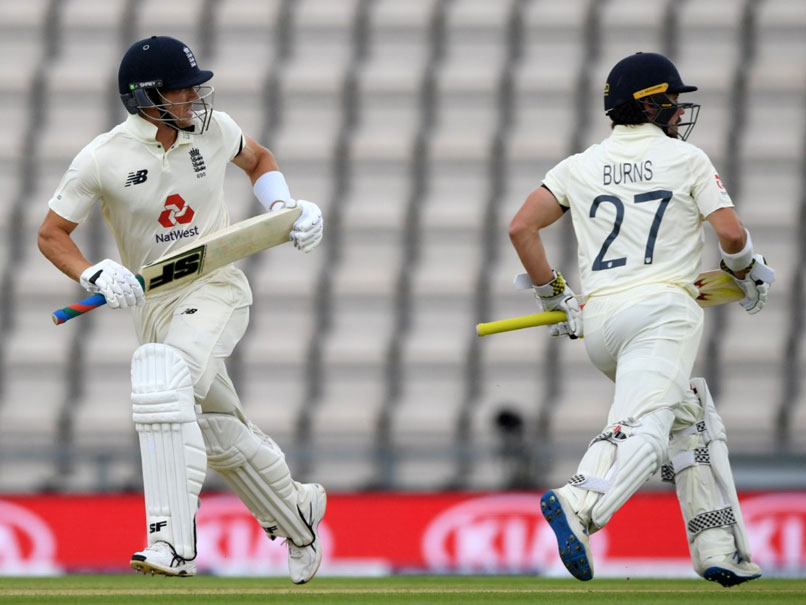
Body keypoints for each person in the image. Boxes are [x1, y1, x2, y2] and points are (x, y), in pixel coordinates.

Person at [37, 35, 326, 583]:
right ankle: (298, 515)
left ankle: (171, 541)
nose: (196, 96)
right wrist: (92, 272)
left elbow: (259, 158)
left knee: (162, 381)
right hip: (152, 304)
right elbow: (52, 234)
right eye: (183, 89)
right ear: (147, 97)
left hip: (216, 285)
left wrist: (284, 208)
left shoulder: (215, 129)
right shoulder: (102, 157)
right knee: (214, 427)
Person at [508, 52, 774, 586]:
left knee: (689, 416)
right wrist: (747, 272)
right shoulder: (689, 159)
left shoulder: (578, 164)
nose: (680, 111)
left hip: (601, 323)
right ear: (652, 103)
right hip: (662, 316)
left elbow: (521, 229)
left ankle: (716, 545)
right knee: (645, 431)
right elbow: (732, 236)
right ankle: (580, 502)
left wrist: (554, 298)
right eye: (673, 101)